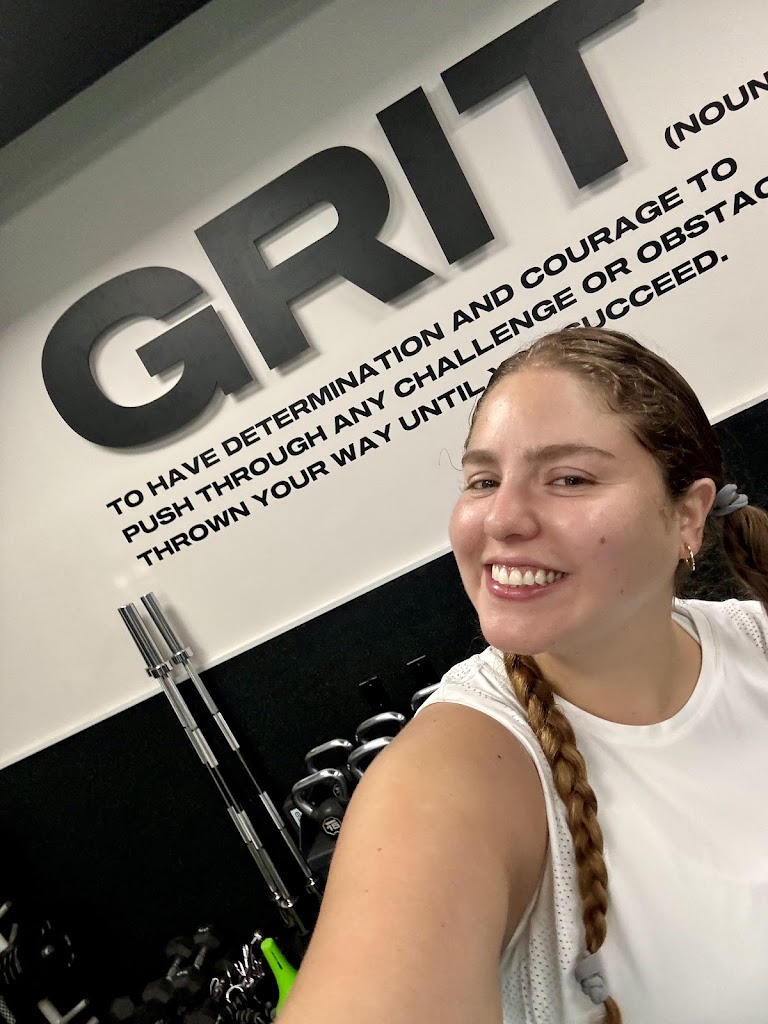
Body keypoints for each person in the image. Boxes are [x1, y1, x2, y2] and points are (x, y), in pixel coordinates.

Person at [278, 327, 768, 1024]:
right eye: (483, 480)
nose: (501, 519)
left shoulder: (757, 643)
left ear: (687, 516)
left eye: (569, 478)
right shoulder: (452, 775)